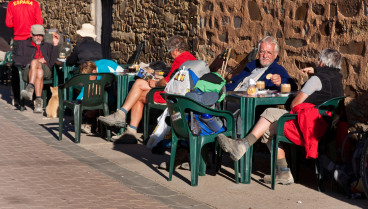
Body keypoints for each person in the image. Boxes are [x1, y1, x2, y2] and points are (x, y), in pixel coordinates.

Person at [217, 49, 344, 185]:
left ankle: (249, 149)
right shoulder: (338, 80)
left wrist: (303, 88)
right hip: (326, 126)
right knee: (267, 123)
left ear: (322, 62)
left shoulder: (317, 80)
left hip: (308, 126)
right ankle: (247, 148)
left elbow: (295, 104)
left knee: (268, 118)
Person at [98, 35, 196, 144]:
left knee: (139, 89)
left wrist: (155, 83)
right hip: (183, 93)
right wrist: (161, 79)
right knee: (139, 87)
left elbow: (167, 82)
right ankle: (125, 121)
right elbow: (174, 78)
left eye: (170, 51)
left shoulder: (179, 59)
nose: (170, 54)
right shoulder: (190, 57)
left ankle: (125, 121)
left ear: (176, 50)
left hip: (173, 96)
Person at [226, 36, 296, 92]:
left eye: (269, 52)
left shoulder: (277, 69)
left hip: (248, 104)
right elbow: (234, 83)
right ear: (258, 52)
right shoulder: (251, 66)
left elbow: (293, 87)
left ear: (275, 55)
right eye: (262, 52)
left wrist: (281, 82)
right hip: (232, 97)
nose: (265, 56)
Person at [15, 24, 60, 113]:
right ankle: (38, 102)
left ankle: (30, 88)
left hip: (46, 70)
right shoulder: (23, 45)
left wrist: (55, 44)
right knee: (38, 70)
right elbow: (17, 60)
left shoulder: (47, 46)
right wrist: (36, 61)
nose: (38, 37)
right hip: (28, 71)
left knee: (37, 64)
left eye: (40, 35)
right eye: (36, 35)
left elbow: (52, 62)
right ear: (31, 34)